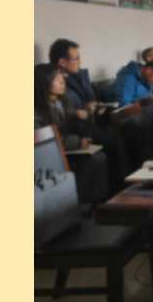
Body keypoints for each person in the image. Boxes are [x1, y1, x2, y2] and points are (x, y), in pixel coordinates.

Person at [34, 63, 110, 204]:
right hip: (52, 156)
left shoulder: (62, 101)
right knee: (96, 160)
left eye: (61, 77)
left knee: (104, 149)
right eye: (57, 79)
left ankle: (99, 203)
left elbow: (74, 125)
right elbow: (47, 140)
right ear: (43, 83)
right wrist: (77, 142)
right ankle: (82, 204)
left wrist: (90, 115)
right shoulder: (37, 112)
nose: (62, 81)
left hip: (69, 148)